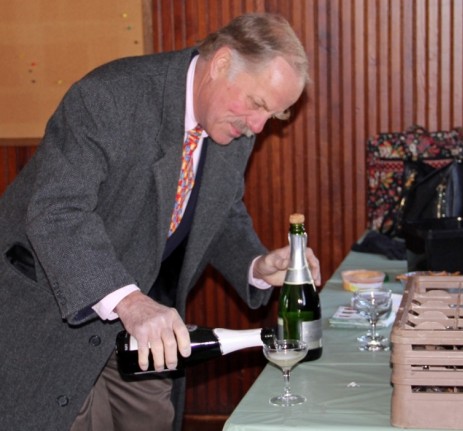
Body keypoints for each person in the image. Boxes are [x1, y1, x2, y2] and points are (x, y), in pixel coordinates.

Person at [0, 13, 320, 431]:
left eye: (274, 117)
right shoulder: (110, 97)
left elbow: (220, 212)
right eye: (258, 105)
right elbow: (57, 212)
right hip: (56, 311)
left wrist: (256, 265)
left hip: (147, 324)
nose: (258, 127)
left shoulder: (232, 124)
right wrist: (130, 302)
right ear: (222, 63)